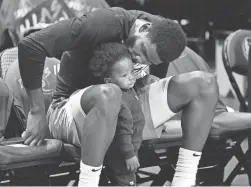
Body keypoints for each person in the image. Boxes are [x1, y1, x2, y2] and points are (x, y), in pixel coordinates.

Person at [17, 7, 218, 187]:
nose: (140, 60)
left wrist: (145, 83)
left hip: (126, 110)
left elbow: (151, 65)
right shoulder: (102, 24)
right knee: (110, 92)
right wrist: (37, 112)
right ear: (145, 28)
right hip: (72, 112)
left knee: (206, 83)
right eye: (143, 51)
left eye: (150, 60)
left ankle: (185, 179)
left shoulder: (162, 31)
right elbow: (31, 45)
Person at [89, 42, 145, 186]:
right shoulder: (120, 101)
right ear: (109, 81)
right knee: (127, 181)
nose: (131, 77)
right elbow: (123, 131)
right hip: (123, 152)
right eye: (124, 75)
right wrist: (129, 155)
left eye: (132, 71)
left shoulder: (127, 89)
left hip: (129, 147)